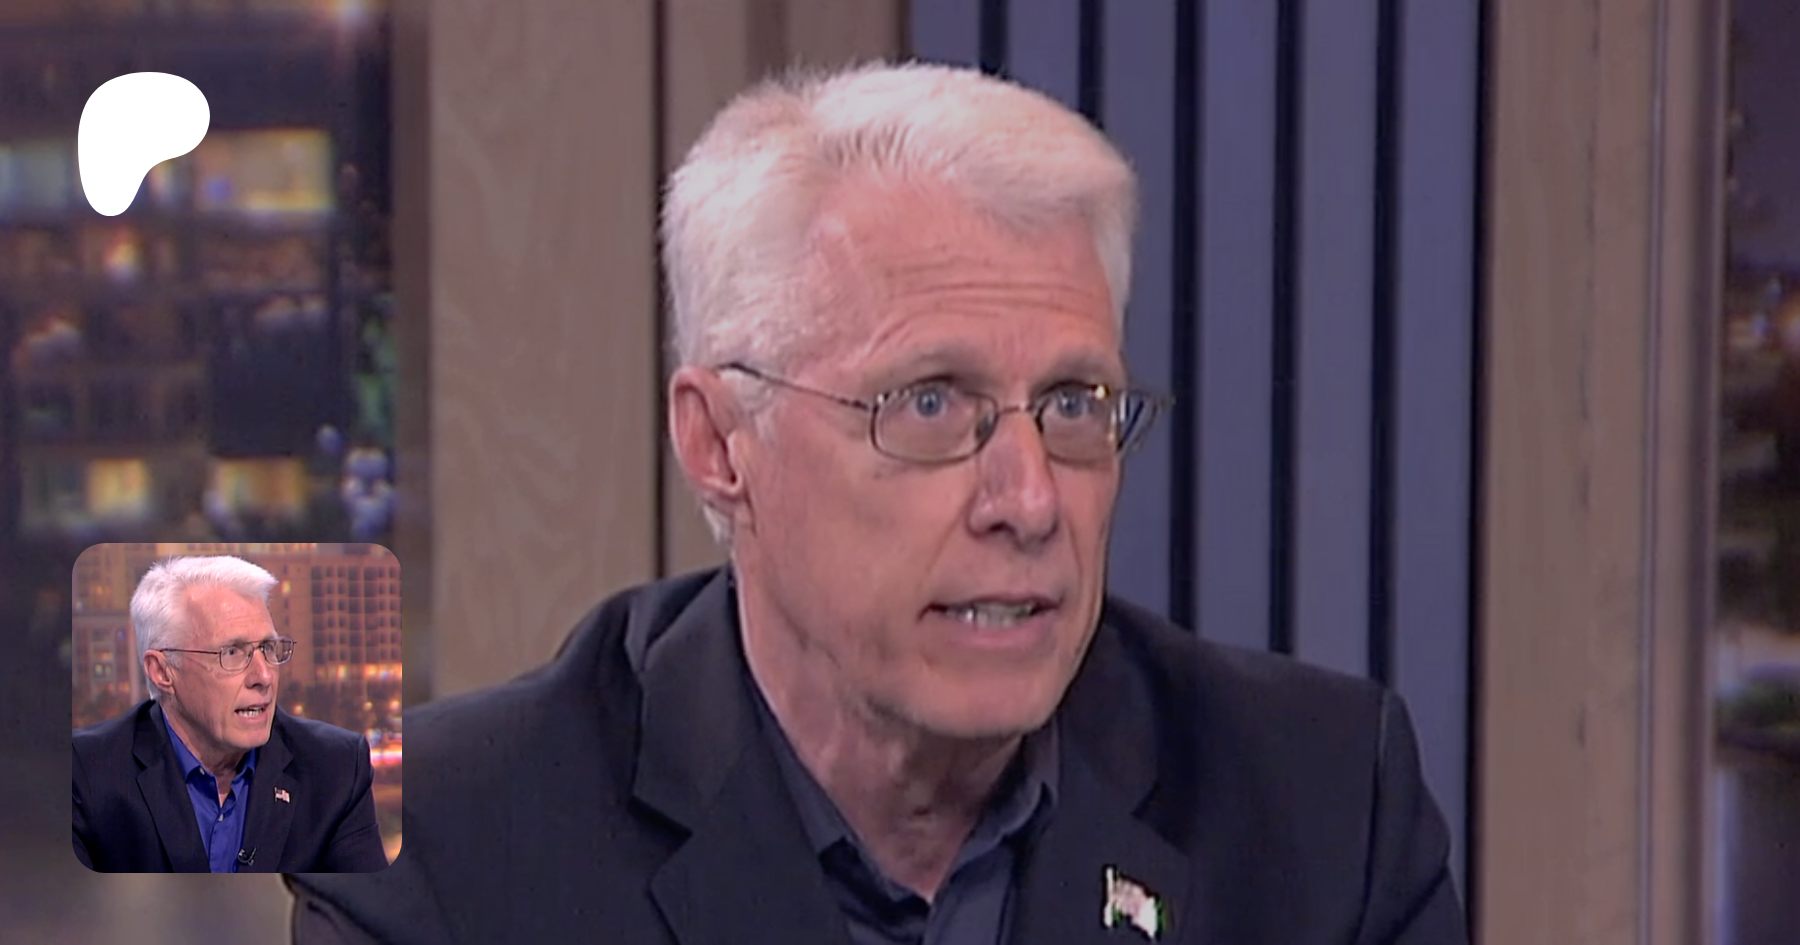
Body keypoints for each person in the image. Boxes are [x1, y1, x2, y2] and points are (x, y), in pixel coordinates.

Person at [285, 62, 1468, 943]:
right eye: (930, 404)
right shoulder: (444, 853)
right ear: (720, 444)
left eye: (1071, 404)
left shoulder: (1322, 817)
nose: (1028, 501)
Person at [73, 555, 388, 873]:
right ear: (162, 671)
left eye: (268, 648)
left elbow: (360, 902)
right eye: (232, 652)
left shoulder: (335, 767)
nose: (263, 676)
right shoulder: (86, 773)